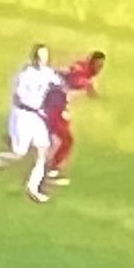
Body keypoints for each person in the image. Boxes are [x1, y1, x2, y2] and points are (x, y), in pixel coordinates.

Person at [0, 45, 63, 203]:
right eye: (40, 57)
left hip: (37, 116)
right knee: (19, 154)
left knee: (42, 151)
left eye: (45, 56)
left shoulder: (48, 73)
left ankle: (33, 188)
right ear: (34, 58)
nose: (43, 60)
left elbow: (60, 84)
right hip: (23, 116)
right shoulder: (26, 75)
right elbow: (20, 96)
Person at [44, 50, 105, 185]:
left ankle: (47, 165)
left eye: (101, 66)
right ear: (91, 63)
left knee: (58, 135)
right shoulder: (82, 75)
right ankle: (50, 172)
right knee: (67, 140)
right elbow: (75, 80)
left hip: (54, 104)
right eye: (98, 66)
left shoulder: (81, 68)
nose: (99, 70)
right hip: (54, 106)